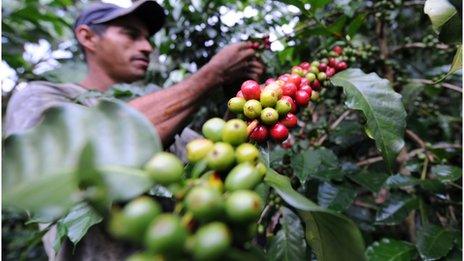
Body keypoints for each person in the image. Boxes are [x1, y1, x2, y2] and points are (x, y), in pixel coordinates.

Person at [3, 1, 266, 260]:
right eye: (131, 34)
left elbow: (220, 164)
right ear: (88, 37)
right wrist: (212, 75)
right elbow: (71, 157)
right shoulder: (43, 97)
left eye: (149, 38)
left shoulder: (170, 118)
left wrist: (241, 102)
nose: (147, 47)